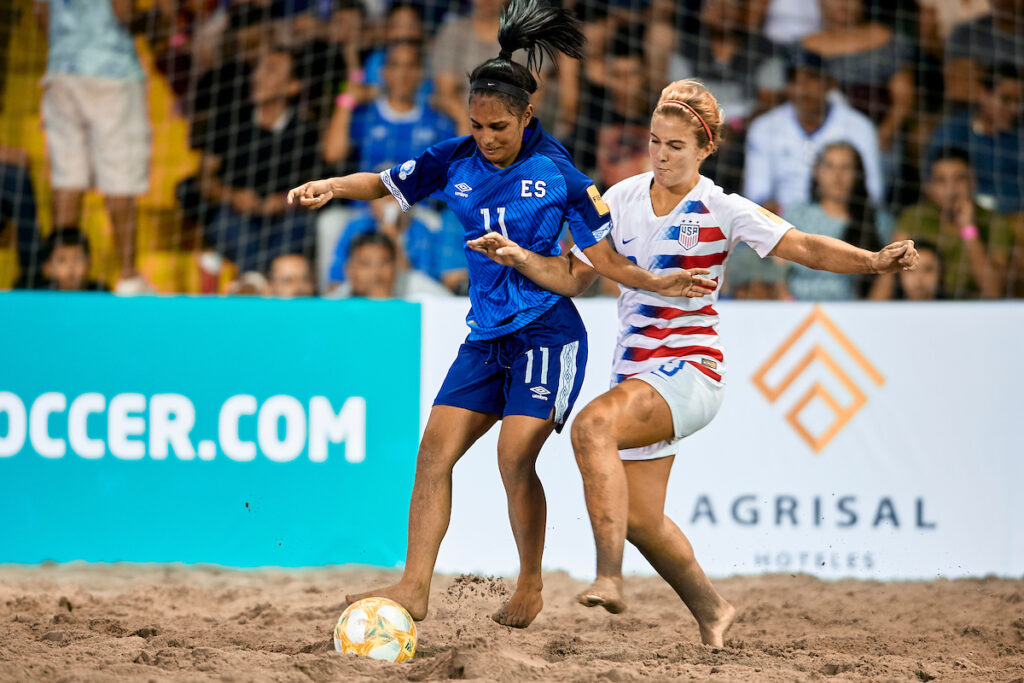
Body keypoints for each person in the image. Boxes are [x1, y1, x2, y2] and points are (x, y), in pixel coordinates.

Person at [288, 0, 697, 629]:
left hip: (547, 334)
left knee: (513, 456)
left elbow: (602, 260)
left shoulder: (560, 173)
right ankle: (414, 587)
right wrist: (331, 187)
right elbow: (383, 181)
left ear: (528, 115)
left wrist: (655, 280)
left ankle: (529, 585)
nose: (486, 138)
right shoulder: (454, 157)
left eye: (498, 127)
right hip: (485, 338)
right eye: (477, 125)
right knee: (433, 453)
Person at [468, 78, 919, 646]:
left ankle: (608, 577)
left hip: (690, 368)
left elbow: (802, 245)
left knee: (592, 427)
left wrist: (874, 263)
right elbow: (575, 277)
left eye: (675, 146)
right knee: (639, 519)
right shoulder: (621, 198)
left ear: (705, 149)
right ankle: (713, 610)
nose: (660, 154)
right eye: (655, 140)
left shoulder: (722, 207)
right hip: (635, 374)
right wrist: (521, 257)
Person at [35, 0, 150, 289]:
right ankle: (128, 280)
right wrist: (155, 17)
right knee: (119, 181)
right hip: (112, 72)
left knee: (67, 179)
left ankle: (61, 276)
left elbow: (41, 14)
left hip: (62, 69)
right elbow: (123, 12)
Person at [199, 46, 322, 275]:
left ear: (293, 86)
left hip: (285, 219)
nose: (257, 76)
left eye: (271, 70)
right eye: (258, 69)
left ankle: (253, 281)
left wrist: (285, 201)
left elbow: (317, 186)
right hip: (235, 215)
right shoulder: (229, 120)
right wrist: (233, 196)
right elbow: (204, 180)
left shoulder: (306, 132)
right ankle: (261, 281)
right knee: (227, 225)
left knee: (301, 227)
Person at [744, 49, 883, 215]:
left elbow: (874, 192)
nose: (803, 88)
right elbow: (756, 194)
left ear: (830, 83)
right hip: (783, 224)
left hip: (841, 220)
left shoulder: (859, 127)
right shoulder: (764, 127)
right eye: (794, 80)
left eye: (812, 78)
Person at [877, 147, 1010, 299]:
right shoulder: (914, 218)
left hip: (972, 312)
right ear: (929, 188)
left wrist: (968, 229)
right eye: (941, 180)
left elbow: (994, 290)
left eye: (959, 178)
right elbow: (888, 276)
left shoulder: (993, 221)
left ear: (973, 182)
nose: (951, 189)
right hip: (923, 308)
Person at [785, 141, 889, 300]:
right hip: (795, 313)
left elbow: (887, 276)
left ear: (858, 174)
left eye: (846, 167)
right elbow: (777, 272)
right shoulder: (796, 215)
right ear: (816, 171)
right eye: (829, 166)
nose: (837, 175)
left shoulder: (878, 222)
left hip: (851, 316)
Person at [926, 63, 1024, 215]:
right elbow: (931, 181)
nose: (1014, 109)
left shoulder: (1019, 139)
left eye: (1018, 102)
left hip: (1012, 219)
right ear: (982, 94)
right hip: (958, 214)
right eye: (1006, 100)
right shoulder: (952, 132)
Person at [330, 231, 451, 298]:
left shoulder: (418, 290)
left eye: (384, 263)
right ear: (349, 269)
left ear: (395, 267)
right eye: (365, 264)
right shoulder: (332, 306)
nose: (376, 272)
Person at [18, 228, 107, 292]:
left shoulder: (100, 292)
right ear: (47, 268)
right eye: (62, 260)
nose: (71, 267)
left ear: (89, 263)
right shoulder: (40, 296)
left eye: (78, 259)